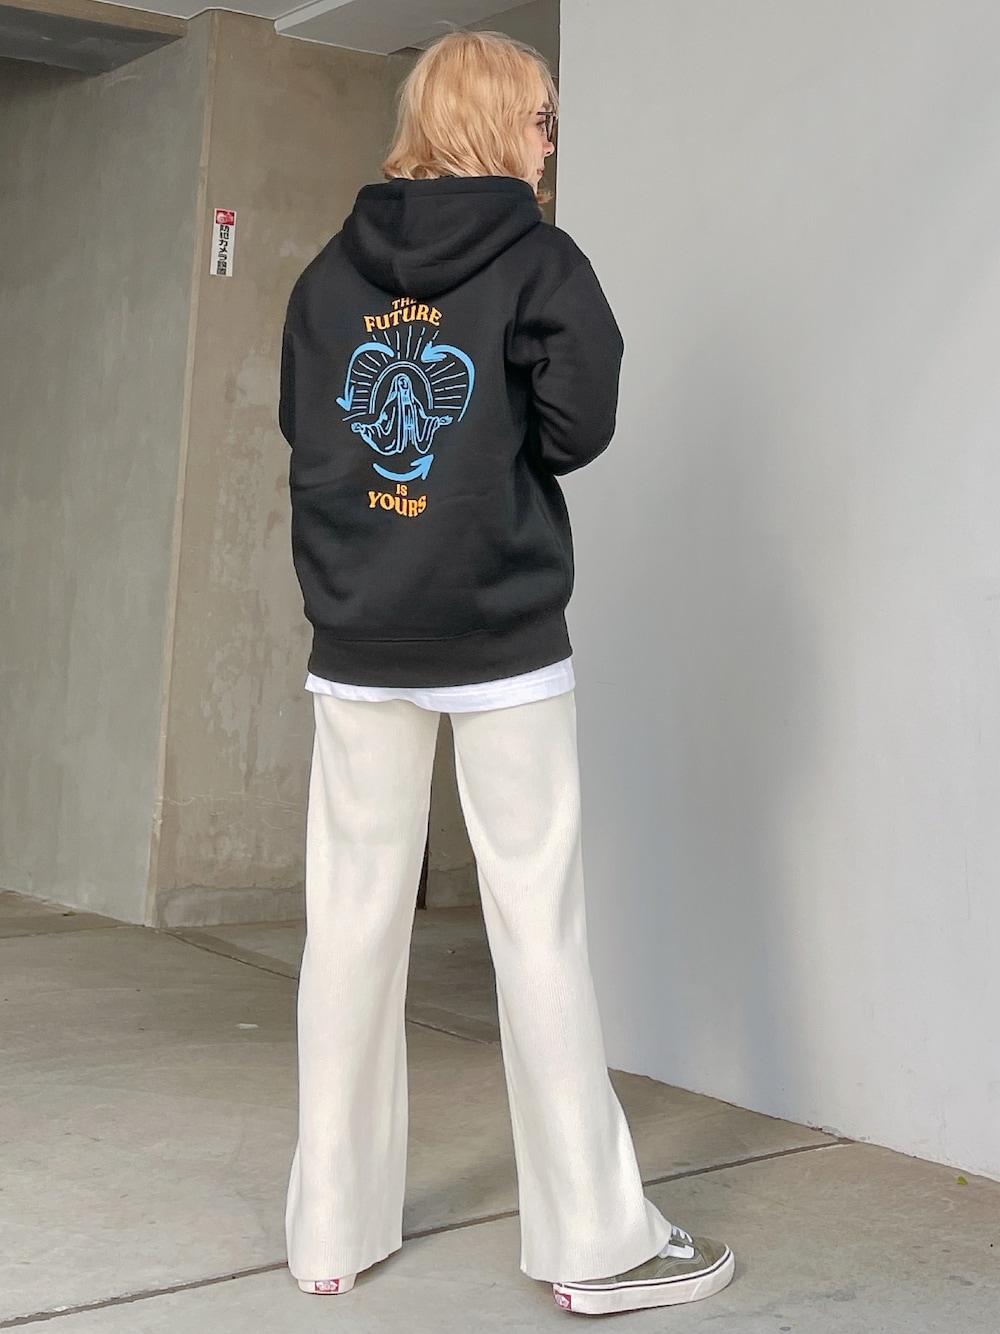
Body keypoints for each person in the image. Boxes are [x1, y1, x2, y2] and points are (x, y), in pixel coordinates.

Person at [277, 29, 735, 1317]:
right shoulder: (540, 261)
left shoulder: (327, 272)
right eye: (541, 118)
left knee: (347, 926)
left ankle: (329, 1231)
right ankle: (595, 1246)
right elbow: (580, 425)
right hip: (498, 635)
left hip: (359, 635)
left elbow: (310, 428)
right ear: (496, 123)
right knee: (536, 925)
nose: (549, 142)